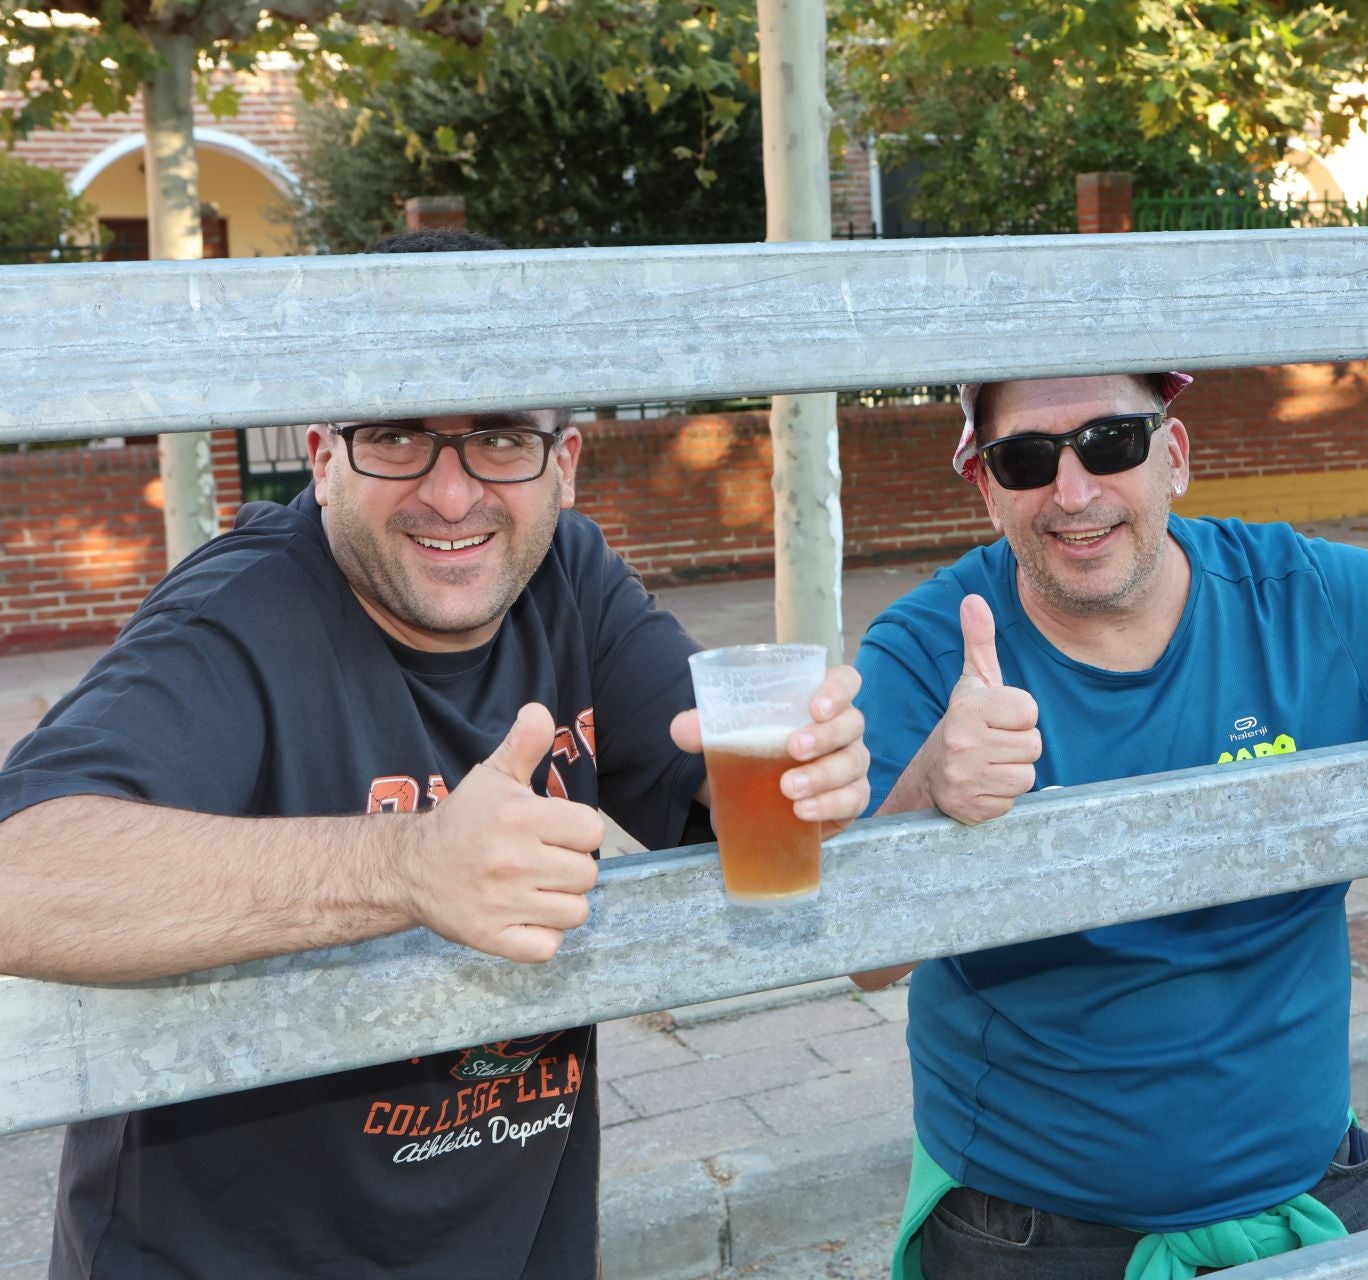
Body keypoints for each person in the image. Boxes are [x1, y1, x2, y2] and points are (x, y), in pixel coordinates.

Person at [0, 228, 871, 1278]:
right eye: (400, 435)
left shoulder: (567, 577)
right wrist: (408, 868)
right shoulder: (237, 615)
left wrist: (833, 780)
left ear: (565, 464)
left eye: (501, 437)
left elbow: (737, 804)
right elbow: (22, 872)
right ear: (322, 456)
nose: (453, 494)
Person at [850, 371, 1368, 1279]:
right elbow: (861, 952)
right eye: (1026, 458)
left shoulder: (1304, 594)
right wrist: (928, 789)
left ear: (1175, 457)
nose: (1074, 491)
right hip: (1030, 1227)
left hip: (1315, 1193)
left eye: (1113, 443)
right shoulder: (927, 648)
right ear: (986, 486)